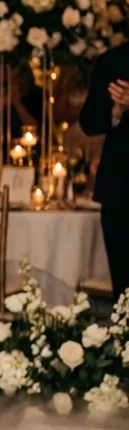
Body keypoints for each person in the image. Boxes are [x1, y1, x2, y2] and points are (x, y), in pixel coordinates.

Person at [80, 41, 129, 301]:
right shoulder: (113, 60)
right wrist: (116, 112)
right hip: (120, 189)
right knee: (124, 287)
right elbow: (89, 122)